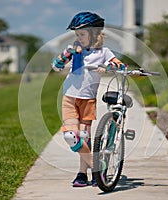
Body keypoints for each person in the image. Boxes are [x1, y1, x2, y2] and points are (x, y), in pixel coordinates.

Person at [52, 11, 126, 187]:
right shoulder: (74, 50)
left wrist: (107, 66)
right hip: (69, 97)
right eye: (77, 34)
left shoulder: (103, 52)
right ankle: (97, 169)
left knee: (84, 137)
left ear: (94, 34)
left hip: (88, 100)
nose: (79, 37)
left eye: (82, 34)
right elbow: (55, 66)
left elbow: (120, 65)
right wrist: (66, 54)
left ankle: (82, 174)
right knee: (71, 136)